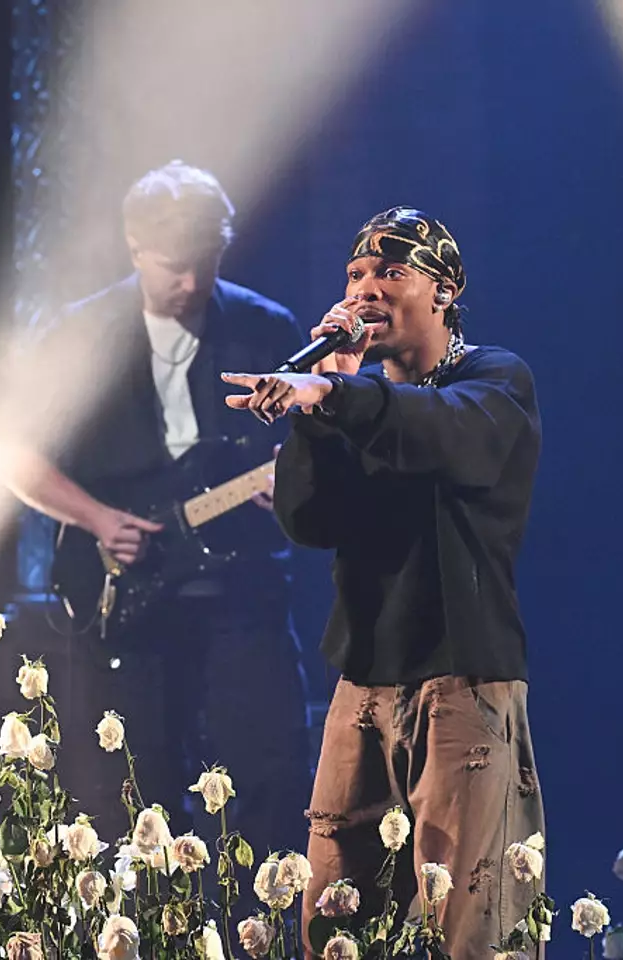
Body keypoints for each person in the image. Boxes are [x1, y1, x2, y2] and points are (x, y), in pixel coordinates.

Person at [222, 207, 545, 959]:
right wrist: (321, 406)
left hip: (463, 681)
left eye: (391, 272)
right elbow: (309, 520)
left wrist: (335, 397)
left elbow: (440, 433)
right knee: (336, 923)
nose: (365, 288)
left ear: (445, 290)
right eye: (356, 274)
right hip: (364, 679)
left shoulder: (494, 379)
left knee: (472, 921)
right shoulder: (354, 399)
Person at [7, 160, 312, 864]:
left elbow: (306, 447)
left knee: (271, 775)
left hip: (240, 591)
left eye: (207, 262)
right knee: (132, 794)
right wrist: (95, 518)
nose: (193, 282)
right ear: (135, 248)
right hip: (126, 600)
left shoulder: (266, 328)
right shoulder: (81, 334)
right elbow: (16, 455)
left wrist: (294, 482)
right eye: (175, 266)